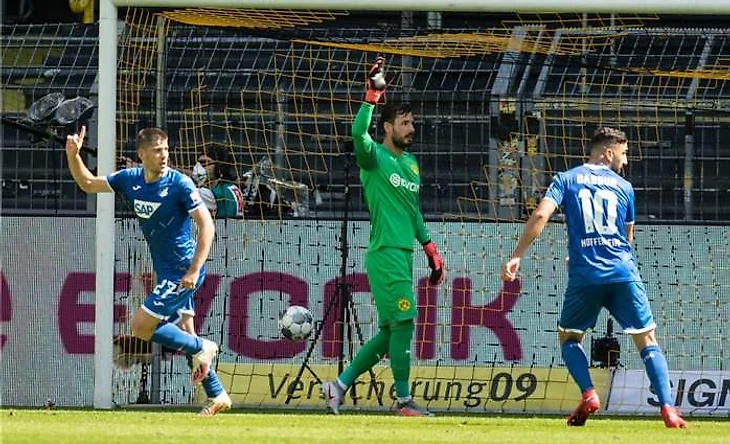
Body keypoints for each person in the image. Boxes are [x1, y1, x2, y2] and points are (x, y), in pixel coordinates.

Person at [501, 127, 686, 428]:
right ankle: (668, 408)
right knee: (647, 339)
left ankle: (588, 393)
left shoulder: (565, 179)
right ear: (608, 153)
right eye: (624, 154)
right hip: (622, 272)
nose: (626, 161)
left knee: (569, 338)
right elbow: (627, 237)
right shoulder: (624, 187)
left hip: (585, 274)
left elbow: (540, 215)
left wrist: (517, 255)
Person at [65, 126, 231, 415]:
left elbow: (207, 225)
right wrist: (73, 156)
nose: (164, 155)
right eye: (157, 150)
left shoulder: (180, 184)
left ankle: (202, 346)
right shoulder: (130, 179)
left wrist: (194, 270)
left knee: (140, 327)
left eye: (166, 149)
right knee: (185, 329)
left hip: (182, 270)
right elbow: (88, 183)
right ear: (142, 154)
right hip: (166, 270)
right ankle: (217, 394)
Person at [321, 56, 445, 417]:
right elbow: (358, 134)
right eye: (404, 123)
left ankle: (338, 386)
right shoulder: (373, 157)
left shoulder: (411, 164)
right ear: (388, 127)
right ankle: (404, 400)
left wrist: (430, 249)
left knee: (393, 330)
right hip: (385, 252)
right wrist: (371, 97)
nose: (411, 128)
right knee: (404, 321)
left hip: (403, 253)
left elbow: (412, 210)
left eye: (412, 122)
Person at [193, 146, 245, 218]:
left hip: (223, 225)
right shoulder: (231, 187)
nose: (198, 167)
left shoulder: (212, 194)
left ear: (219, 166)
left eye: (205, 163)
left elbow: (185, 192)